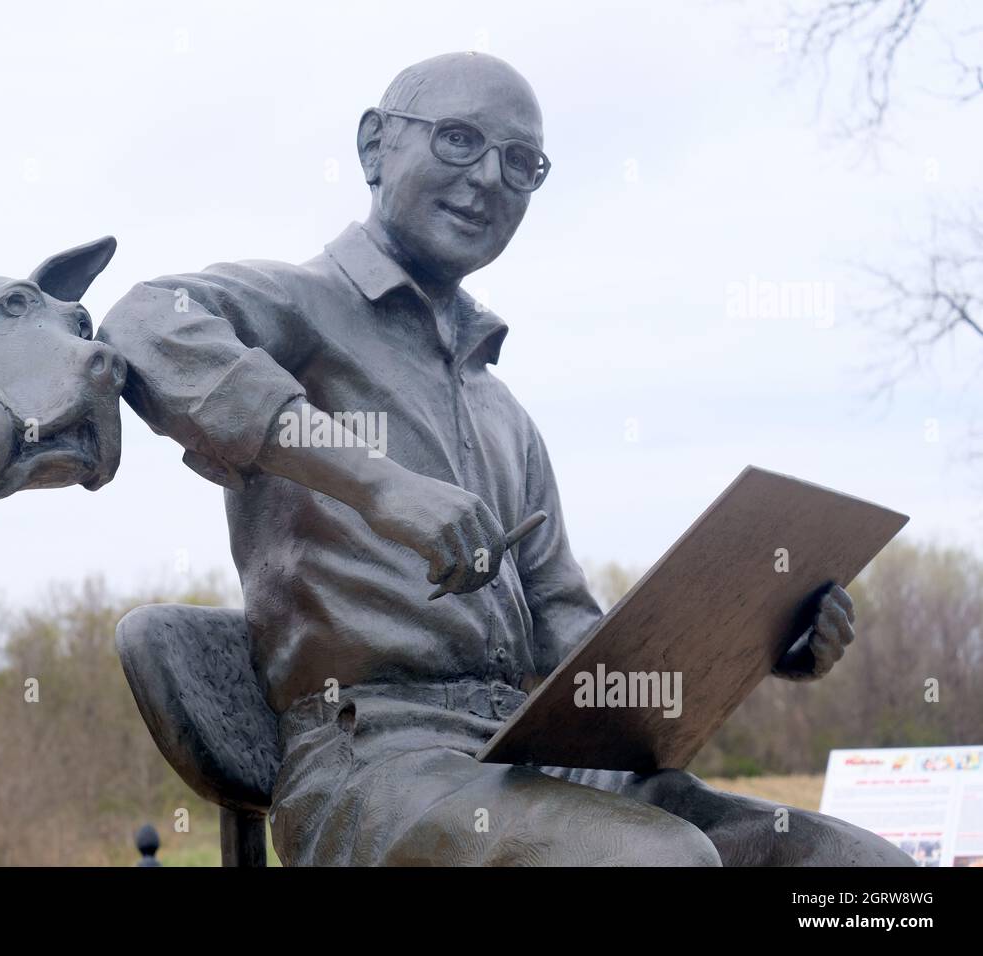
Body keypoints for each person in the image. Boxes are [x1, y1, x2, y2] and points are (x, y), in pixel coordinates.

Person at [99, 52, 910, 866]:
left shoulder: (504, 415)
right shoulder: (298, 309)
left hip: (534, 761)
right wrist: (382, 488)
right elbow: (143, 324)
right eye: (458, 140)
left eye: (520, 163)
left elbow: (562, 621)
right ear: (375, 146)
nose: (489, 178)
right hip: (372, 769)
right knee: (656, 862)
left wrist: (758, 639)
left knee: (859, 870)